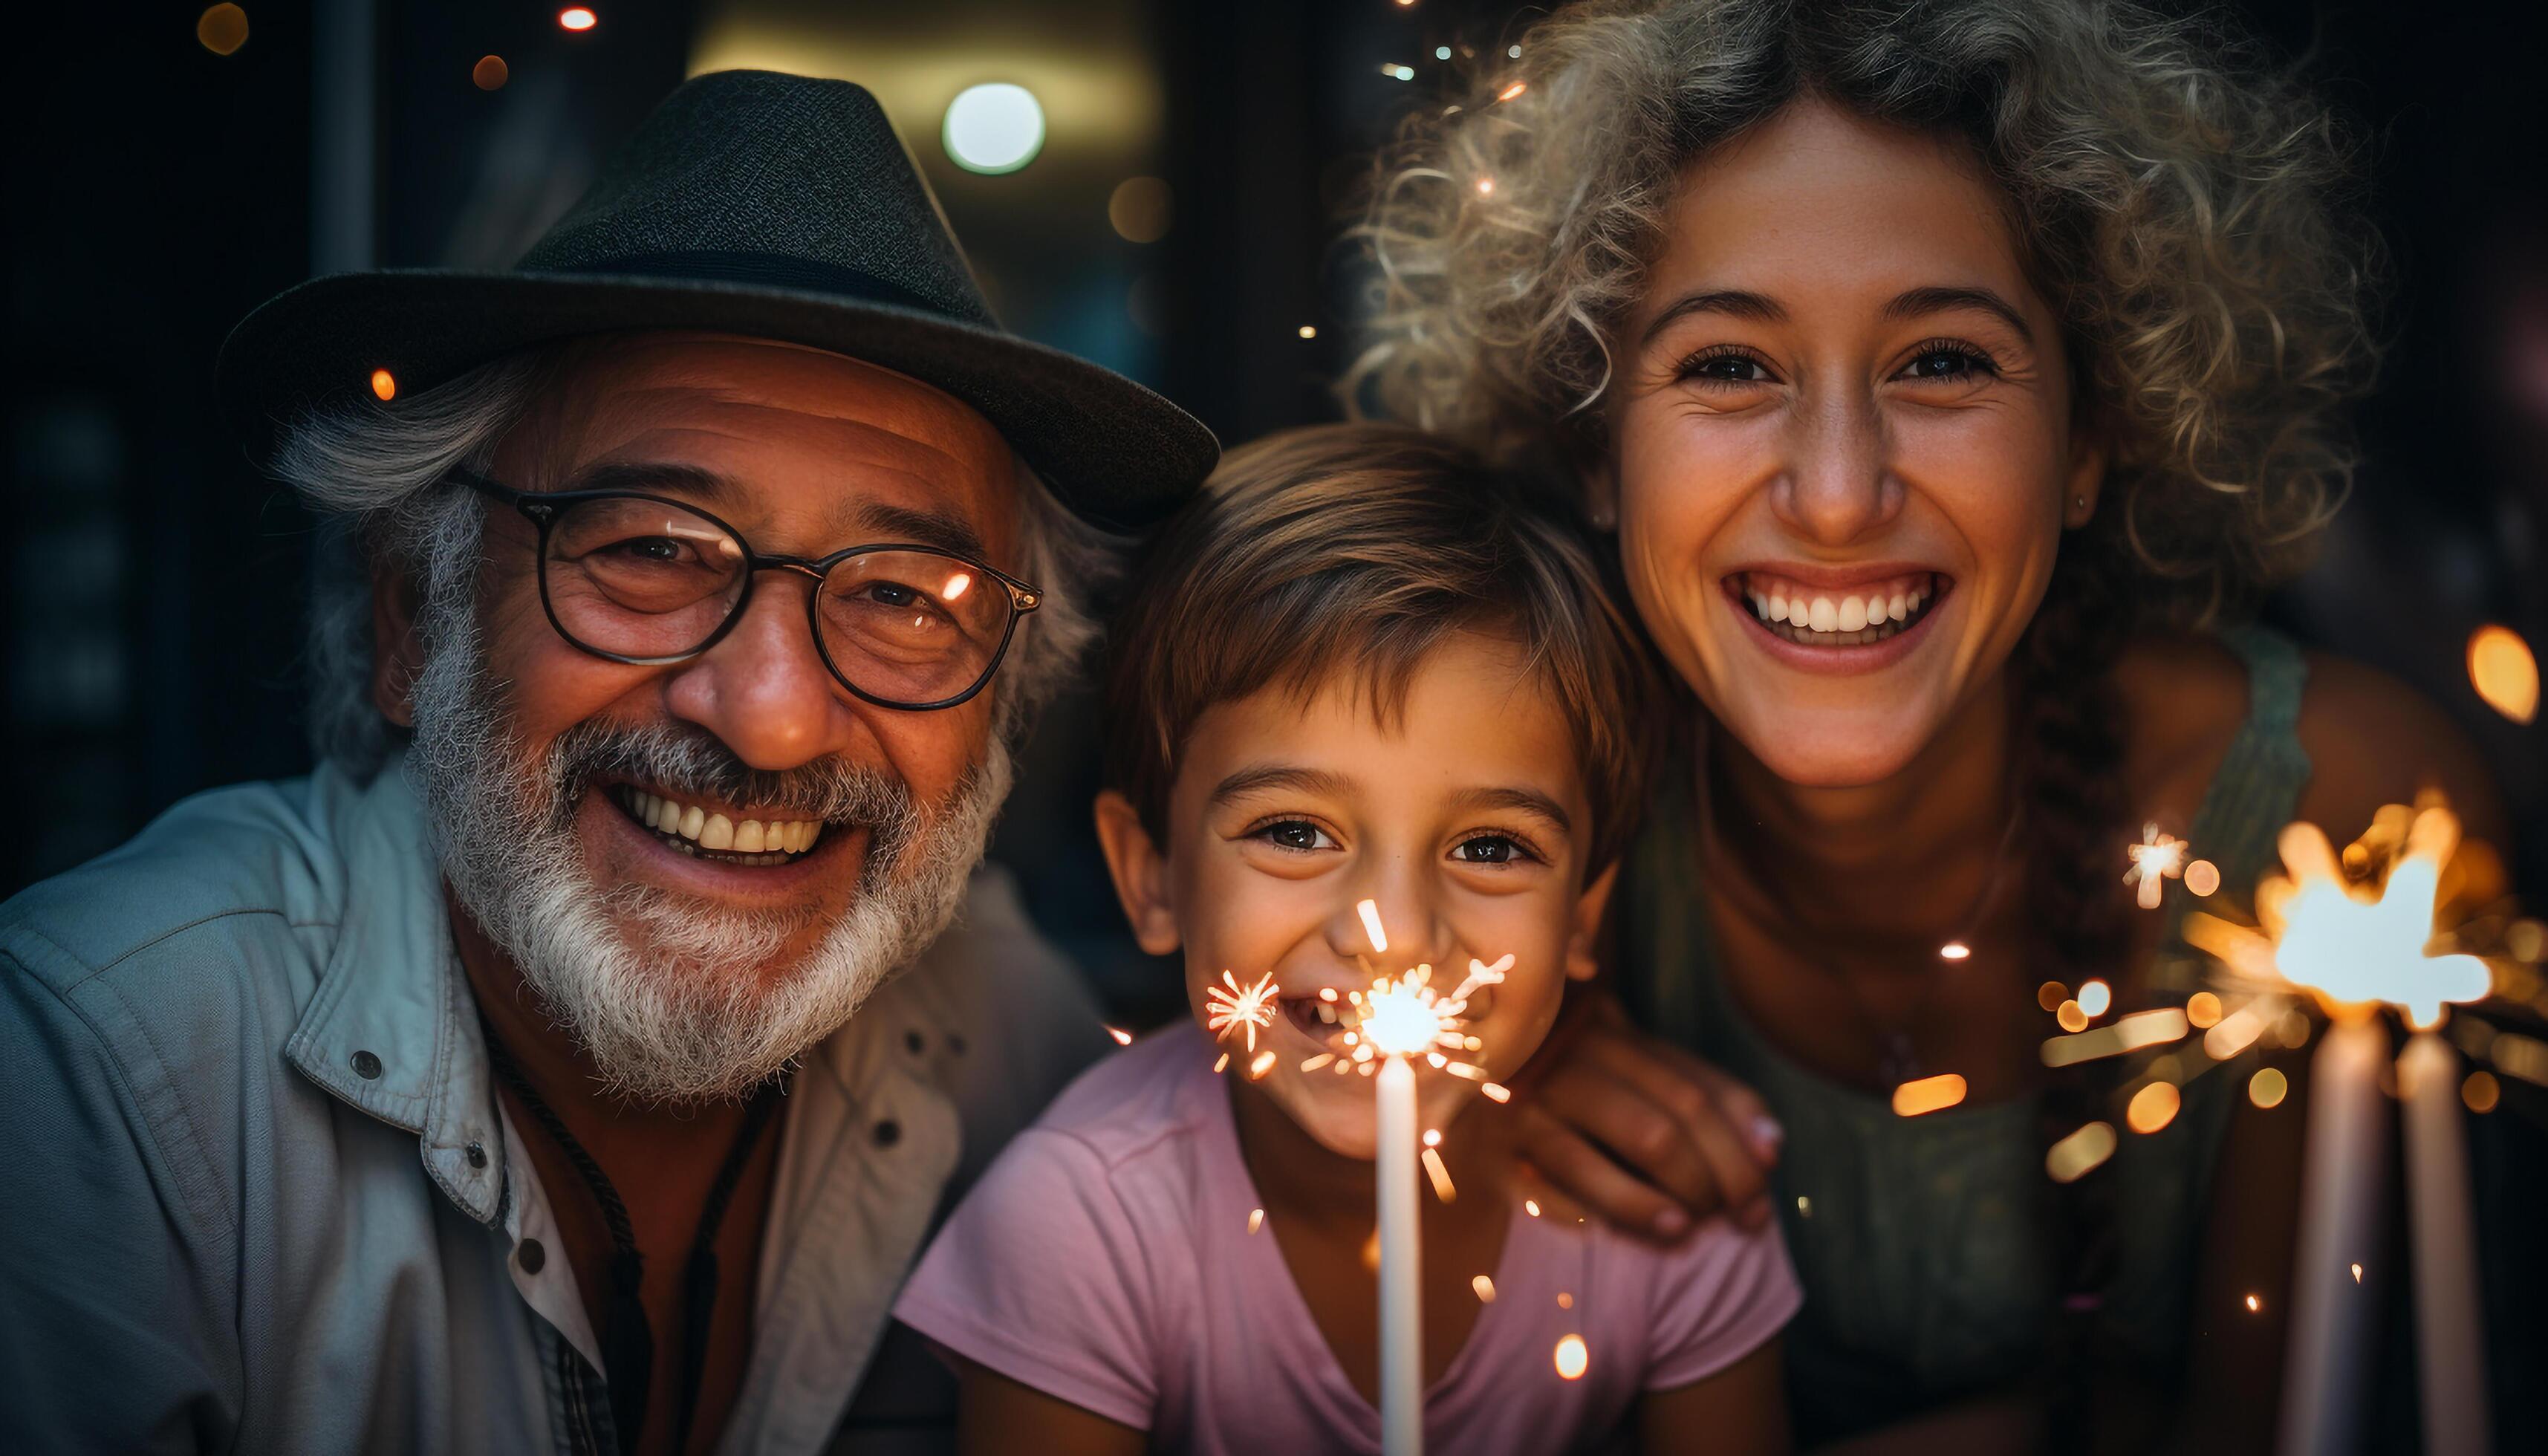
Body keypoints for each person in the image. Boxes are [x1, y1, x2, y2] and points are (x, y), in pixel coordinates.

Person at [0, 71, 1219, 1455]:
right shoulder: (95, 1087)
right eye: (648, 549)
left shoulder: (1019, 1040)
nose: (770, 721)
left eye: (901, 593)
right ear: (415, 622)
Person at [1348, 1, 2512, 1451]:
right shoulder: (1499, 821)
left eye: (1941, 362)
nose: (1836, 492)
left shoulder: (2339, 815)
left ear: (2091, 432)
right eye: (1727, 365)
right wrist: (1460, 1094)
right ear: (1595, 443)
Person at [893, 424, 1801, 1455]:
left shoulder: (1668, 1214)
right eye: (1293, 833)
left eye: (1492, 847)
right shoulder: (1078, 1225)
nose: (1397, 934)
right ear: (1151, 877)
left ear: (1584, 915)